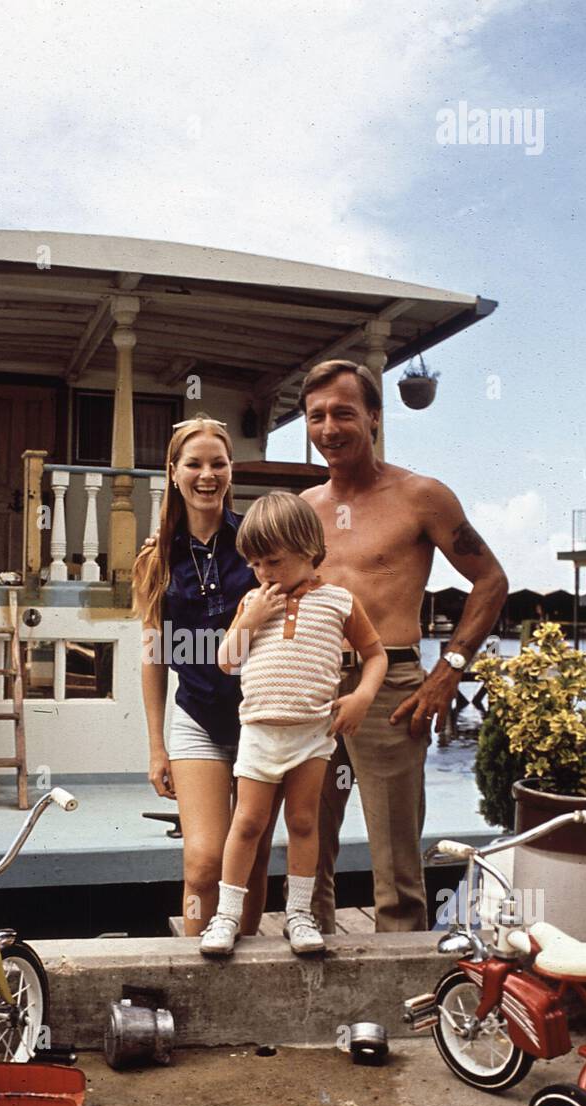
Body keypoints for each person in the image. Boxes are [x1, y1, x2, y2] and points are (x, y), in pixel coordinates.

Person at [297, 360, 509, 933]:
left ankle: (402, 992)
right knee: (306, 837)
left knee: (394, 853)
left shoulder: (421, 496)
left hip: (391, 684)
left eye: (343, 412)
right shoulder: (305, 509)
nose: (330, 428)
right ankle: (310, 960)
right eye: (316, 416)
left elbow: (490, 580)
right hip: (311, 683)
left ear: (373, 417)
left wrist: (450, 671)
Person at [200, 491, 387, 956]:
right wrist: (252, 618)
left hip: (313, 734)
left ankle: (299, 915)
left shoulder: (339, 601)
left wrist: (361, 696)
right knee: (246, 824)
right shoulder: (254, 602)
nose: (264, 573)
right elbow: (226, 661)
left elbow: (375, 655)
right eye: (255, 564)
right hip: (261, 731)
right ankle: (225, 917)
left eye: (274, 561)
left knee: (304, 823)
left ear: (308, 550)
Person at [132, 416, 280, 937]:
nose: (207, 474)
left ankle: (247, 962)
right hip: (196, 718)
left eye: (218, 463)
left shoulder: (257, 543)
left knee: (255, 854)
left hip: (261, 718)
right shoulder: (155, 559)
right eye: (193, 463)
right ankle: (196, 970)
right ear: (173, 472)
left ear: (231, 470)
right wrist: (156, 747)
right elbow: (153, 655)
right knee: (202, 863)